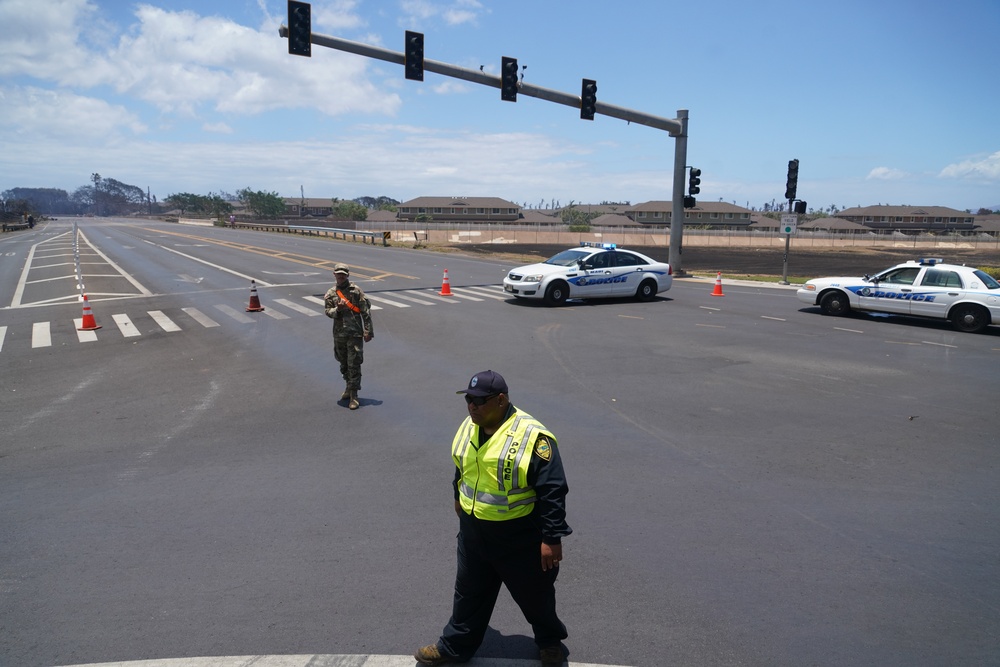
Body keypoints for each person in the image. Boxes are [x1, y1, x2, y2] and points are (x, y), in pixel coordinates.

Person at [415, 370, 571, 666]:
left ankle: (550, 642)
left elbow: (553, 490)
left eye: (479, 401)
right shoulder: (469, 426)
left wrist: (552, 538)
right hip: (474, 531)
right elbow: (462, 465)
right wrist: (457, 496)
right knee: (468, 593)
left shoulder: (532, 437)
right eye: (469, 400)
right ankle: (454, 646)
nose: (472, 407)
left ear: (501, 400)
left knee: (534, 595)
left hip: (519, 534)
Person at [323, 263, 373, 410]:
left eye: (343, 274)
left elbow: (366, 312)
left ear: (348, 275)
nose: (341, 276)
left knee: (354, 364)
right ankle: (348, 386)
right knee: (343, 363)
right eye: (338, 274)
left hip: (355, 334)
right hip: (339, 334)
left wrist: (368, 331)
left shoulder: (356, 291)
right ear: (334, 274)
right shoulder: (331, 293)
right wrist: (337, 309)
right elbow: (328, 311)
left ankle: (354, 395)